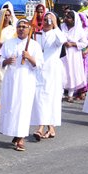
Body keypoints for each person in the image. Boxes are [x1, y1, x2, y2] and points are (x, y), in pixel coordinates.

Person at [0, 20, 39, 151]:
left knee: (23, 109)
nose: (21, 29)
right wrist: (6, 61)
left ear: (28, 29)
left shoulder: (34, 45)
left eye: (24, 27)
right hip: (11, 80)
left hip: (26, 80)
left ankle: (21, 137)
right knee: (11, 107)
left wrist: (30, 57)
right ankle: (15, 133)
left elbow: (40, 64)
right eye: (19, 27)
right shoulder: (9, 43)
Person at [31, 11, 66, 141]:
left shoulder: (56, 34)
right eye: (45, 19)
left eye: (49, 20)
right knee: (40, 97)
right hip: (39, 70)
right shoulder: (37, 35)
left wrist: (55, 24)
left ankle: (41, 128)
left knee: (50, 98)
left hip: (52, 71)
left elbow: (62, 40)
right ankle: (49, 128)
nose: (46, 22)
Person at [61, 10, 88, 101]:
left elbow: (85, 43)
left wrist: (73, 44)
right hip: (62, 53)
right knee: (62, 71)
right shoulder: (62, 27)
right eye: (66, 17)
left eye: (68, 18)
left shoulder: (79, 30)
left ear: (74, 20)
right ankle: (60, 93)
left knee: (72, 72)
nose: (66, 19)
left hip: (74, 54)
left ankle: (70, 94)